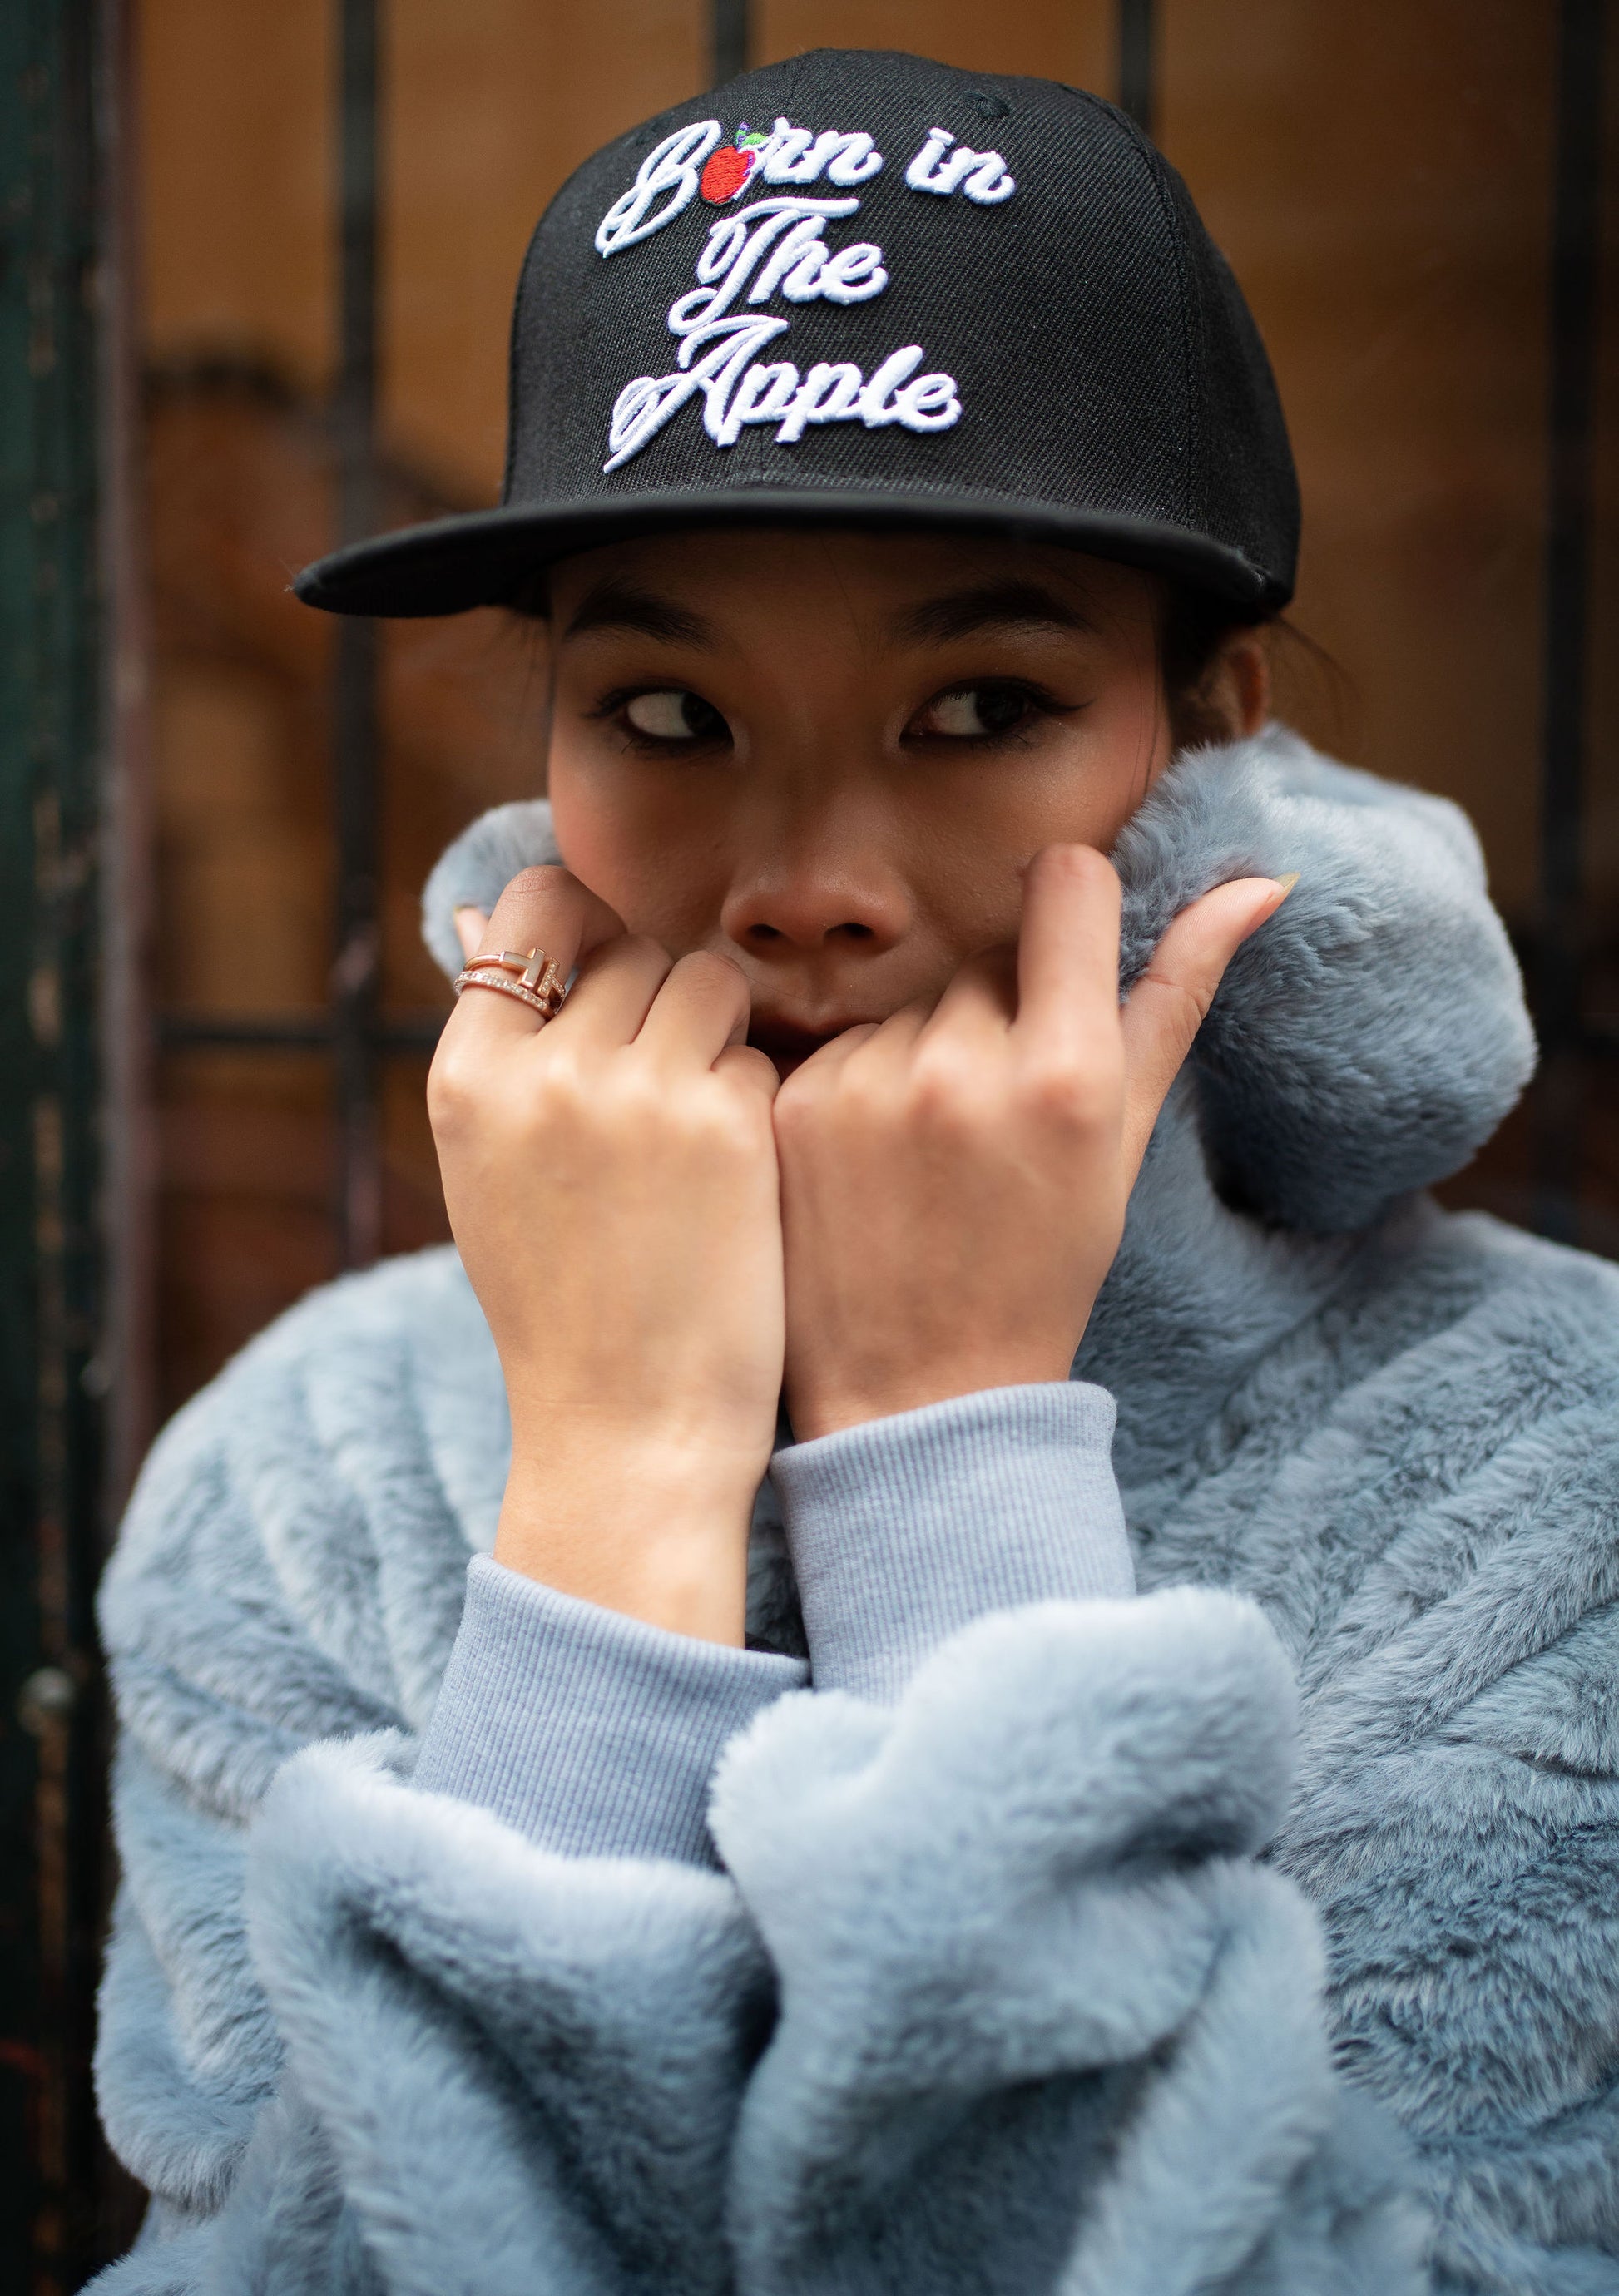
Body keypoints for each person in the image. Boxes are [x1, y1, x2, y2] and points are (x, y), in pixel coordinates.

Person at [93, 49, 1619, 2296]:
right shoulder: (312, 1469)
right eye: (670, 717)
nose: (804, 880)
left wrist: (949, 1483)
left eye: (981, 704)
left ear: (1210, 748)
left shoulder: (1544, 1472)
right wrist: (608, 1498)